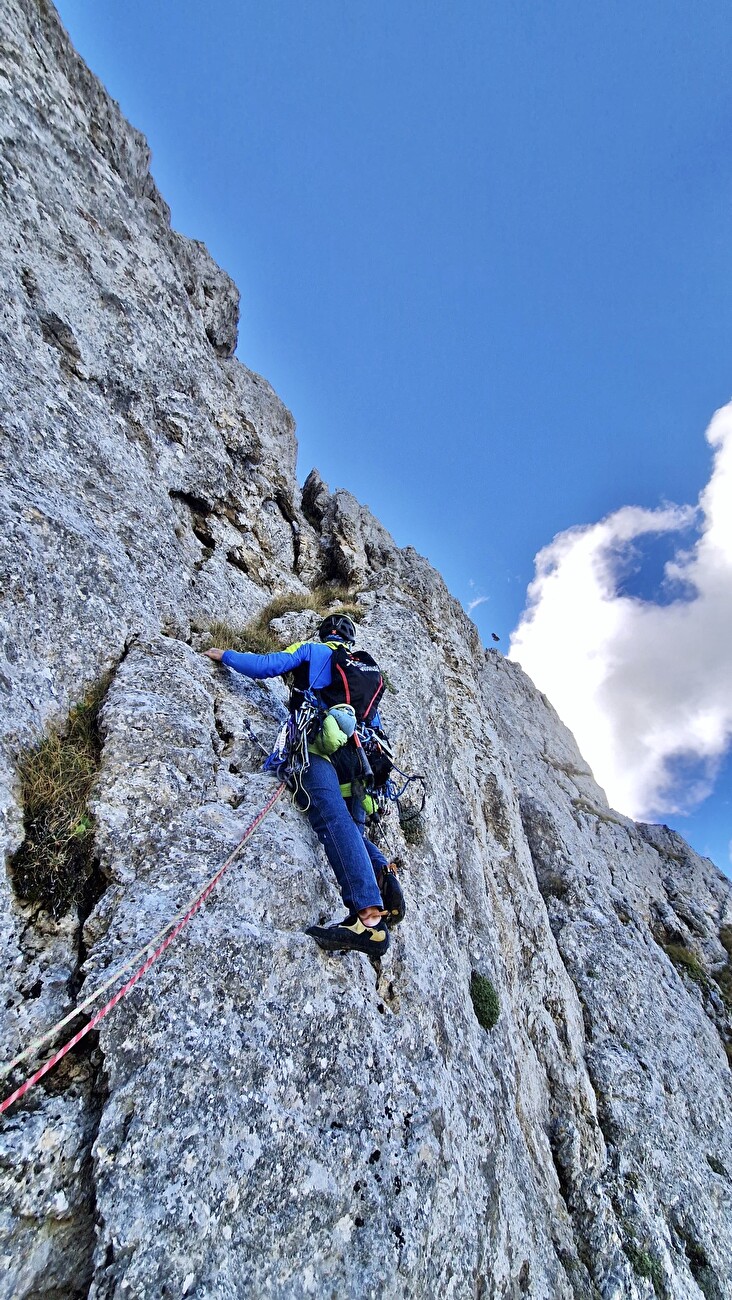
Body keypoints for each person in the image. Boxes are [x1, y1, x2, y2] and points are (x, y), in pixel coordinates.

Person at [203, 613, 403, 956]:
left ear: (325, 633)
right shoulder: (365, 673)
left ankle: (369, 920)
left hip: (320, 749)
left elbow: (269, 665)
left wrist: (227, 656)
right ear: (350, 640)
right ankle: (383, 873)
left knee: (330, 819)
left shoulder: (314, 650)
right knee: (352, 830)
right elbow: (375, 725)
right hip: (359, 763)